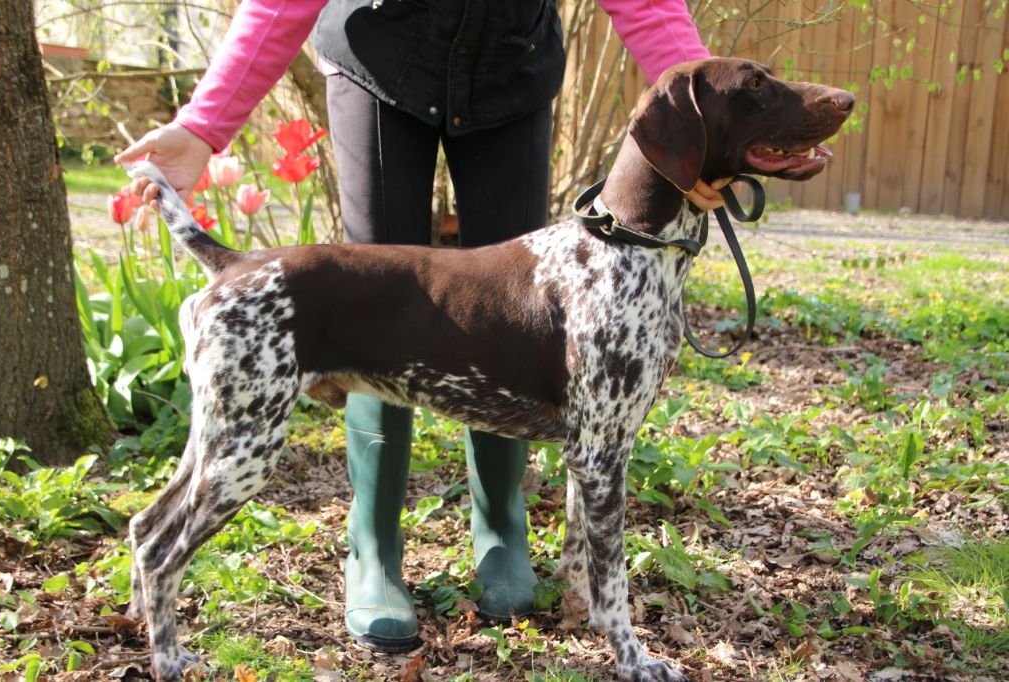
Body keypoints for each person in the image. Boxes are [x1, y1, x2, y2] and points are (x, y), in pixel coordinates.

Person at [117, 0, 728, 654]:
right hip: (379, 54)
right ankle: (374, 549)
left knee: (514, 307)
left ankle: (502, 532)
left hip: (509, 69)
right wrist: (204, 125)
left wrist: (698, 127)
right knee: (376, 301)